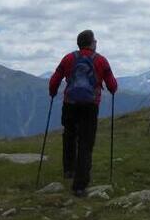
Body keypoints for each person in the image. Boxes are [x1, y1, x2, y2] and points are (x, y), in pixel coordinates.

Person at [48, 29, 118, 197]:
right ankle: (80, 185)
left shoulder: (69, 58)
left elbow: (55, 79)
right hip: (90, 105)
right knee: (86, 143)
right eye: (95, 40)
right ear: (91, 43)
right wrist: (111, 88)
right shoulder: (101, 60)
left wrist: (52, 92)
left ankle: (68, 170)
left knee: (69, 135)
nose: (96, 43)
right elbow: (112, 85)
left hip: (70, 103)